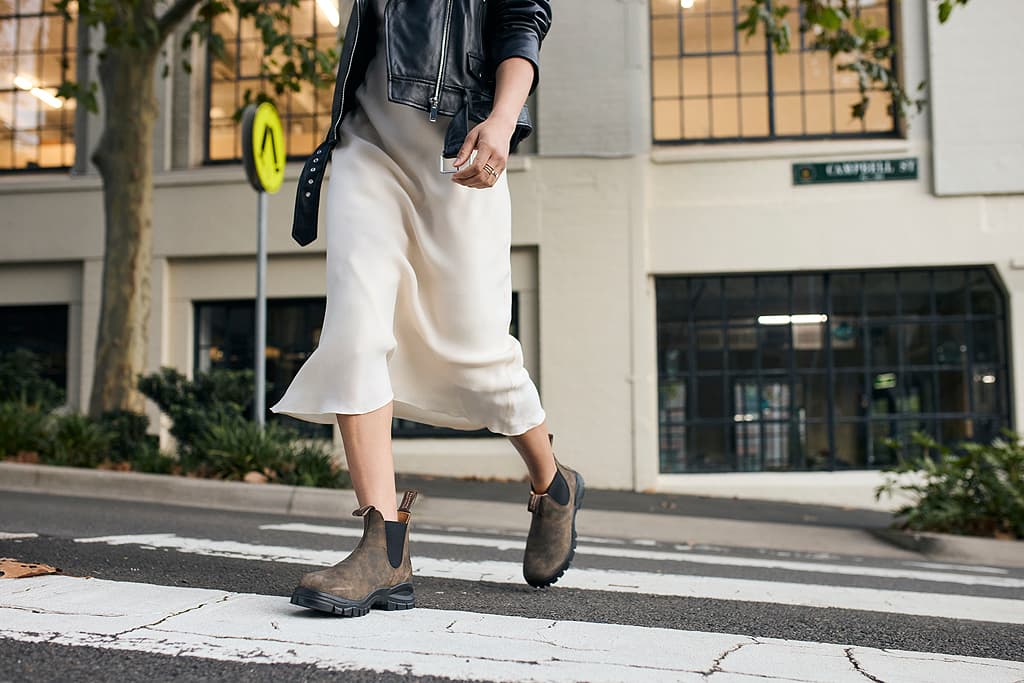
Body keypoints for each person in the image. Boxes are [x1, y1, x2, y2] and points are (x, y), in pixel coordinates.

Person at [271, 0, 584, 618]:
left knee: (477, 353)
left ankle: (553, 483)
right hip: (367, 148)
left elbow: (522, 20)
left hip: (460, 147)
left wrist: (502, 118)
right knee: (354, 331)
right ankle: (383, 544)